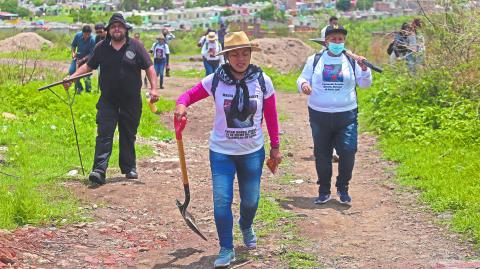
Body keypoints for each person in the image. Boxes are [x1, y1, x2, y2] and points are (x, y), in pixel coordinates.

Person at [174, 31, 282, 268]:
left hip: (252, 151)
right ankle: (226, 247)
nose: (240, 59)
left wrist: (275, 146)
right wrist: (181, 105)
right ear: (227, 57)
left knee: (251, 200)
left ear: (251, 55)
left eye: (245, 54)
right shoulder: (216, 79)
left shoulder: (263, 81)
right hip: (221, 151)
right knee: (222, 200)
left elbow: (271, 116)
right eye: (234, 54)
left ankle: (246, 224)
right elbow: (188, 95)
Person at [63, 13, 159, 185]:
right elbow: (88, 65)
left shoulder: (136, 46)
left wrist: (153, 88)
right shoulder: (101, 47)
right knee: (104, 134)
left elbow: (149, 68)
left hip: (131, 101)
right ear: (108, 30)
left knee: (128, 134)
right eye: (113, 26)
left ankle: (129, 167)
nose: (117, 29)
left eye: (120, 26)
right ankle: (99, 171)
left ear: (125, 30)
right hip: (108, 100)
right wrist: (73, 77)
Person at [297, 25, 372, 205]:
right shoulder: (314, 60)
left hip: (346, 115)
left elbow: (365, 84)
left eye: (340, 39)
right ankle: (324, 190)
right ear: (326, 42)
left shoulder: (352, 60)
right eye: (333, 39)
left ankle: (343, 187)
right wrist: (304, 85)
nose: (337, 42)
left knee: (348, 151)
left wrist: (364, 69)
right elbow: (301, 78)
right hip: (319, 115)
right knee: (322, 153)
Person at [69, 25, 95, 93]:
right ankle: (79, 88)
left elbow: (92, 54)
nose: (87, 36)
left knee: (86, 75)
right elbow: (73, 45)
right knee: (72, 71)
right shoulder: (78, 35)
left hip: (87, 60)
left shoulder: (93, 39)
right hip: (77, 58)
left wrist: (82, 60)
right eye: (85, 34)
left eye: (88, 35)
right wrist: (73, 53)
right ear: (82, 32)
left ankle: (88, 91)